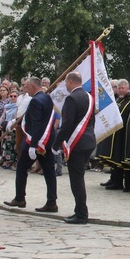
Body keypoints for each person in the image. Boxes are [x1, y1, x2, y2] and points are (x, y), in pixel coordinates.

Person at [3, 77, 58, 212]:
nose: (25, 89)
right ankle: (52, 202)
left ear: (33, 87)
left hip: (35, 141)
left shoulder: (35, 101)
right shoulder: (47, 98)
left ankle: (20, 198)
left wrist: (33, 145)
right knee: (49, 172)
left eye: (27, 87)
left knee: (21, 168)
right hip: (47, 140)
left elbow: (36, 123)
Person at [53, 72, 95, 224]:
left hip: (77, 144)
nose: (65, 85)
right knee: (79, 178)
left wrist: (56, 144)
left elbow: (67, 125)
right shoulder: (89, 97)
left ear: (71, 82)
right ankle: (79, 211)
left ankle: (82, 215)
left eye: (66, 82)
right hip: (88, 141)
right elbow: (93, 121)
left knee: (76, 180)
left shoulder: (71, 98)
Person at [99, 79, 130, 190]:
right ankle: (113, 179)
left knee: (119, 159)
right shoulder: (117, 100)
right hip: (114, 132)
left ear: (128, 88)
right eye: (119, 88)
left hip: (123, 134)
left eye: (123, 88)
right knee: (113, 158)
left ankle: (118, 182)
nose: (120, 90)